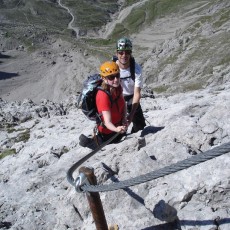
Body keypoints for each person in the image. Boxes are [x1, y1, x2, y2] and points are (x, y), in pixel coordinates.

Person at [115, 37, 146, 133]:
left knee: (140, 126)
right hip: (116, 97)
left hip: (131, 97)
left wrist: (131, 115)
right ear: (116, 53)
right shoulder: (112, 67)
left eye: (127, 52)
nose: (124, 55)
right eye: (121, 52)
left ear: (131, 53)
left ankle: (134, 134)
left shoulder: (136, 69)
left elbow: (137, 93)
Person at [95, 61, 128, 144]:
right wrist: (116, 129)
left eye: (117, 75)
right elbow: (107, 122)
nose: (116, 80)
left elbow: (123, 104)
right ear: (104, 78)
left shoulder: (117, 87)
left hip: (119, 128)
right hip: (108, 133)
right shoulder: (103, 95)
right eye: (111, 77)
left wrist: (124, 118)